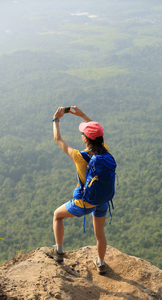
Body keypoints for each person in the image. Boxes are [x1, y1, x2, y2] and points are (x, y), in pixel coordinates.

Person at [44, 106, 110, 275]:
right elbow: (97, 132)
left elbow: (57, 138)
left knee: (57, 215)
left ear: (86, 140)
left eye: (83, 134)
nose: (82, 136)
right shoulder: (105, 151)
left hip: (85, 203)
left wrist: (56, 119)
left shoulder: (79, 157)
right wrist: (82, 115)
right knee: (100, 234)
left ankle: (58, 253)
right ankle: (101, 264)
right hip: (102, 201)